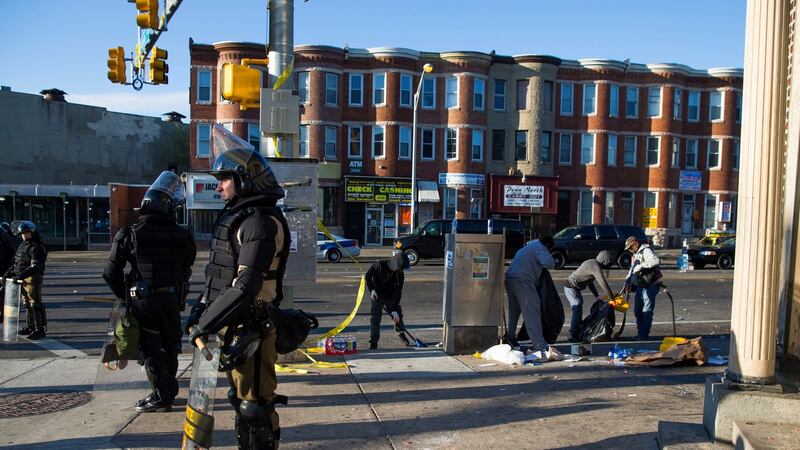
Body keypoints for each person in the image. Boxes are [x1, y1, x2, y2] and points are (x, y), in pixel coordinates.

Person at [186, 144, 290, 450]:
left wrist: (204, 324)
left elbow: (246, 285)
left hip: (253, 327)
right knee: (240, 399)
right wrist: (199, 312)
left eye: (224, 179)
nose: (218, 185)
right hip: (233, 326)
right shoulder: (241, 219)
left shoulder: (259, 222)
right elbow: (220, 276)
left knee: (255, 406)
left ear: (244, 179)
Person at [103, 171, 196, 413]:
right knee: (171, 344)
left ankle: (160, 395)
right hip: (172, 298)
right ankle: (169, 390)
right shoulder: (184, 234)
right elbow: (187, 268)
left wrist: (123, 296)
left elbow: (110, 272)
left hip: (143, 300)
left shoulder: (130, 233)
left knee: (150, 347)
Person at [505, 236, 555, 351]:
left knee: (514, 311)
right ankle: (539, 345)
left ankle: (510, 337)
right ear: (547, 246)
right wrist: (550, 256)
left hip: (510, 278)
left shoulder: (528, 247)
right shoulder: (540, 247)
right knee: (532, 312)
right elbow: (549, 263)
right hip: (523, 281)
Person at [5, 221, 48, 339]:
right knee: (27, 304)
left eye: (26, 233)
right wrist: (8, 274)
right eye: (22, 234)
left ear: (32, 232)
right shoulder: (23, 245)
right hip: (22, 278)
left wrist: (21, 275)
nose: (23, 236)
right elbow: (17, 263)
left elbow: (36, 266)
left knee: (35, 303)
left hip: (32, 278)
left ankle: (40, 329)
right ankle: (30, 326)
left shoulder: (37, 246)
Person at [563, 250, 617, 342]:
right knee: (577, 307)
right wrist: (612, 299)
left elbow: (589, 281)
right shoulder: (595, 266)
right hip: (570, 287)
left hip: (574, 288)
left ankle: (577, 331)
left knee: (579, 308)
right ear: (605, 261)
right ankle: (572, 334)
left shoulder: (592, 262)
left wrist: (596, 295)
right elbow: (603, 283)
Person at [365, 252, 410, 349]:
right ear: (397, 265)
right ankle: (374, 342)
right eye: (401, 268)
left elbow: (398, 291)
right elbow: (368, 276)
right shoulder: (379, 265)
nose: (401, 271)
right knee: (375, 319)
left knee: (398, 315)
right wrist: (372, 290)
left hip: (391, 297)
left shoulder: (400, 275)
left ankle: (400, 333)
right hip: (376, 296)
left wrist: (394, 309)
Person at [623, 236, 661, 340]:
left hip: (651, 284)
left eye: (631, 247)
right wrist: (628, 279)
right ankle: (640, 332)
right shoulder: (634, 255)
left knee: (647, 310)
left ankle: (643, 335)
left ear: (635, 244)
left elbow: (655, 261)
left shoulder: (646, 251)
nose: (630, 250)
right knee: (638, 311)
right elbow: (632, 268)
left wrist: (642, 266)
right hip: (641, 285)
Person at [0, 222, 21, 321]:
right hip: (5, 266)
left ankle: (6, 316)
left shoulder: (5, 237)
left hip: (4, 267)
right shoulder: (7, 237)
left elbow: (11, 252)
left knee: (4, 293)